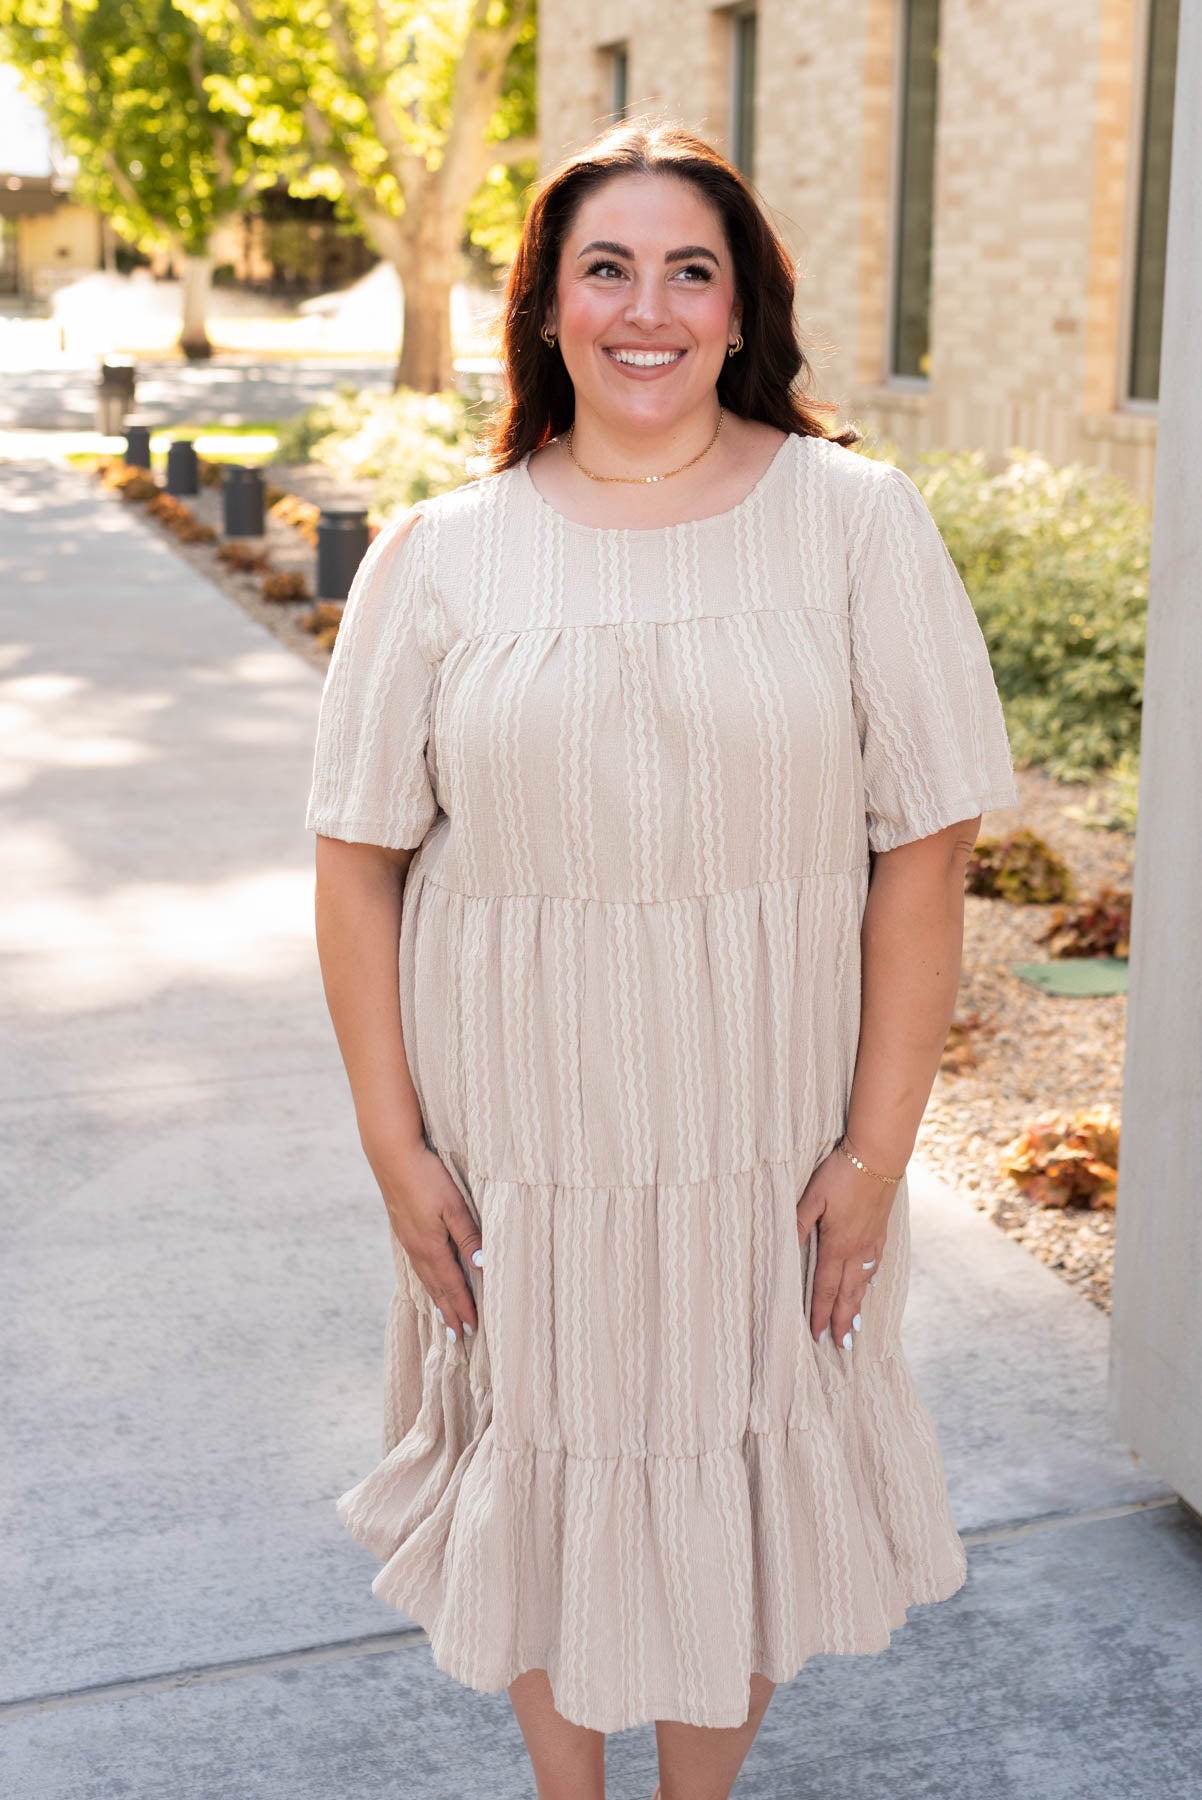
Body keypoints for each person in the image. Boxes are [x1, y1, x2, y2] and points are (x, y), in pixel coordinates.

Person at [304, 116, 1019, 1800]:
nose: (648, 309)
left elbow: (925, 854)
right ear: (546, 305)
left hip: (762, 1138)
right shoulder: (437, 557)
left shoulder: (854, 523)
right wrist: (395, 1150)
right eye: (603, 268)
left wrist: (873, 1152)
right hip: (521, 1140)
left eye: (688, 270)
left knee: (739, 1477)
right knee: (544, 1470)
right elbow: (356, 871)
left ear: (740, 307)